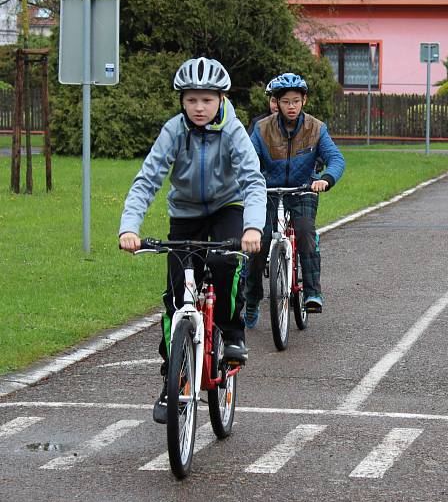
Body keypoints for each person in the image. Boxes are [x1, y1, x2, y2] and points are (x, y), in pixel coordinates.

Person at [119, 57, 267, 423]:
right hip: (185, 214)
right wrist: (129, 227)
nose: (199, 108)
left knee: (222, 261)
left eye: (206, 100)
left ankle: (232, 332)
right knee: (175, 299)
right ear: (181, 101)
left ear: (220, 99)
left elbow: (252, 181)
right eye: (191, 100)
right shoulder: (174, 131)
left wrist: (252, 228)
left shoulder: (232, 131)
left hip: (227, 207)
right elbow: (148, 180)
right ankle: (173, 378)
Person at [243, 72, 345, 326]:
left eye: (296, 101)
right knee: (259, 242)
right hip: (266, 191)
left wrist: (325, 179)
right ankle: (253, 300)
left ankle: (312, 293)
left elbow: (336, 158)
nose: (291, 106)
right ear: (276, 102)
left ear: (304, 101)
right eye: (286, 101)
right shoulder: (261, 128)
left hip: (303, 189)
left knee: (305, 232)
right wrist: (247, 180)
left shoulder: (316, 128)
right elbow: (247, 160)